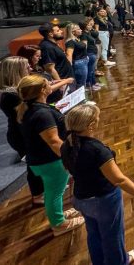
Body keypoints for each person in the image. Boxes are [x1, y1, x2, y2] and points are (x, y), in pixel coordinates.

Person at [61, 104, 134, 264]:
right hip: (103, 200)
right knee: (112, 235)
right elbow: (119, 179)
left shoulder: (67, 145)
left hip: (81, 197)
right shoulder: (97, 151)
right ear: (91, 125)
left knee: (93, 233)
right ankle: (121, 261)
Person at [17, 75, 85, 235]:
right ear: (42, 90)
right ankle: (59, 224)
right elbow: (54, 141)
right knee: (55, 193)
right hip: (50, 161)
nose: (52, 84)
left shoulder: (32, 108)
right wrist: (71, 159)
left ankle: (58, 215)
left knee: (52, 191)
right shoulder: (42, 115)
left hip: (41, 160)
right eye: (49, 84)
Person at [0, 57, 44, 205]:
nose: (30, 68)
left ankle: (45, 188)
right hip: (21, 135)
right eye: (26, 67)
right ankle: (37, 196)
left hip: (27, 132)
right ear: (16, 71)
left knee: (40, 162)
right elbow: (28, 112)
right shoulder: (9, 95)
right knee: (34, 165)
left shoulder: (17, 91)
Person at [38, 22, 75, 89]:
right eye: (58, 31)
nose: (61, 31)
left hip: (67, 79)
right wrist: (61, 85)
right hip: (63, 81)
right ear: (51, 34)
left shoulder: (52, 43)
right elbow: (50, 69)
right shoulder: (47, 47)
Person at [65, 22, 89, 90]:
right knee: (80, 84)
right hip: (79, 64)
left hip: (83, 61)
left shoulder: (76, 39)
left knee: (82, 82)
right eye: (78, 29)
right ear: (73, 31)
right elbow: (69, 55)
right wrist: (70, 69)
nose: (81, 30)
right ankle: (82, 100)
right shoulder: (70, 42)